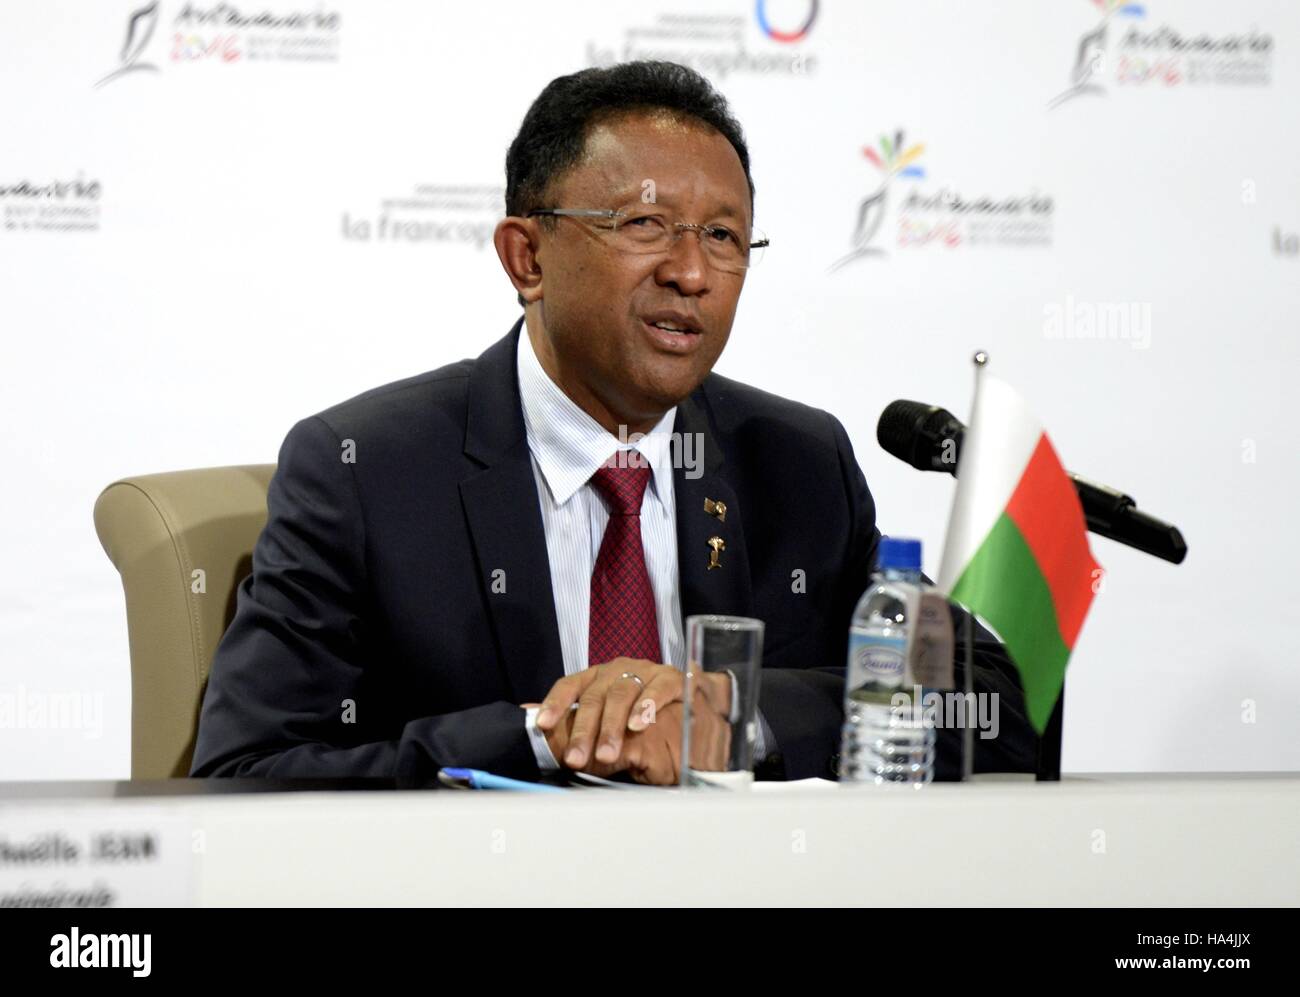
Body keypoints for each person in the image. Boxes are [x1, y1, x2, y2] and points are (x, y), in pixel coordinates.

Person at [190, 61, 1036, 786]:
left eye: (723, 235)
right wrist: (540, 737)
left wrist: (729, 712)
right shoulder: (366, 471)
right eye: (645, 225)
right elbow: (247, 772)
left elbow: (991, 703)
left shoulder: (798, 464)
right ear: (528, 258)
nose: (693, 271)